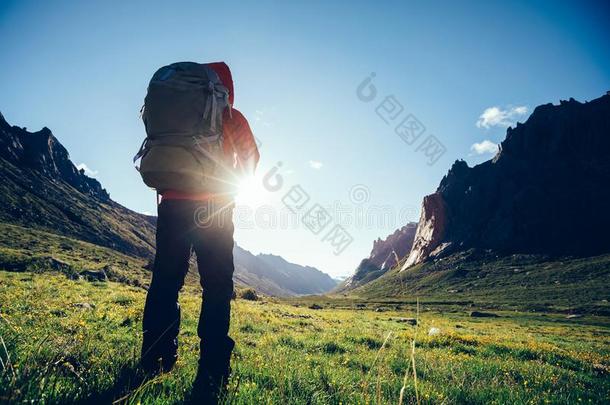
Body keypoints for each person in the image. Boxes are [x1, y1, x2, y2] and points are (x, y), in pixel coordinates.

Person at [139, 62, 259, 402]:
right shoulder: (231, 116)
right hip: (215, 208)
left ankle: (155, 359)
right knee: (217, 287)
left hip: (172, 205)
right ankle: (212, 371)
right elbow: (251, 159)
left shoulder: (173, 106)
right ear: (224, 89)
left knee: (165, 282)